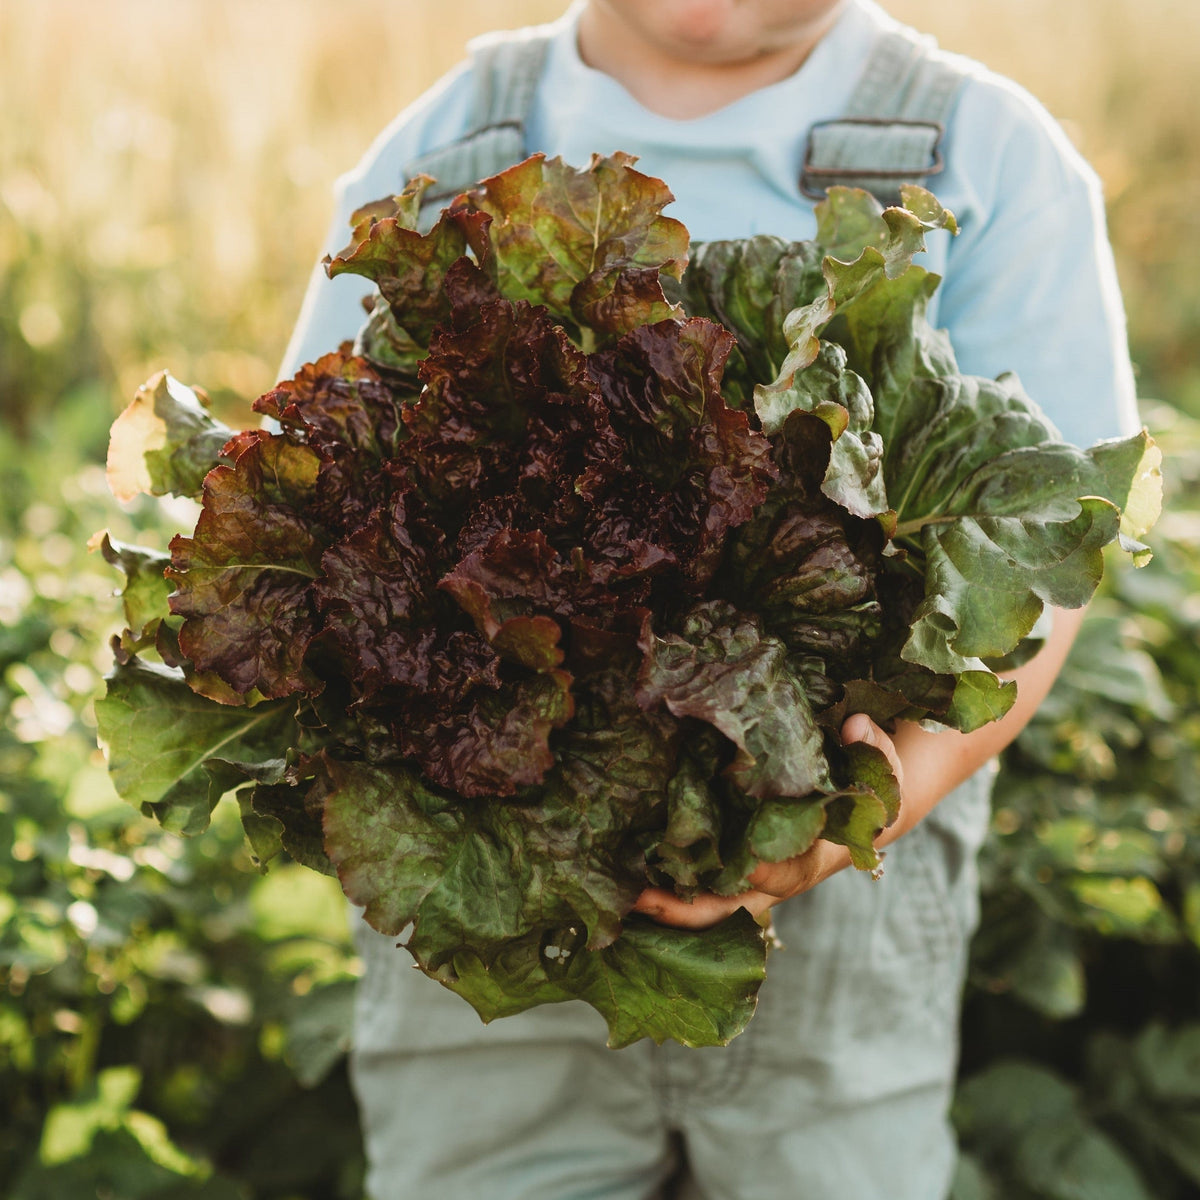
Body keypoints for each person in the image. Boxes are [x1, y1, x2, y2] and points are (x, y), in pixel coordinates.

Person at [280, 2, 1141, 1197]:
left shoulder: (990, 155)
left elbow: (1051, 535)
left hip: (841, 925)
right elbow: (321, 483)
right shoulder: (441, 154)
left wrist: (879, 799)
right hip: (485, 886)